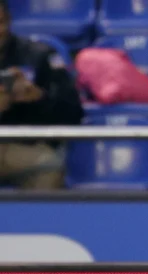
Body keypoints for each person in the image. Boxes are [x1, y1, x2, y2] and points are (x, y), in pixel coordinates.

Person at [0, 0, 83, 189]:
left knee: (49, 164)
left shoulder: (39, 56)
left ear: (10, 21)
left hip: (23, 147)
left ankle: (36, 218)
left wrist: (40, 98)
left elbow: (74, 114)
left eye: (1, 22)